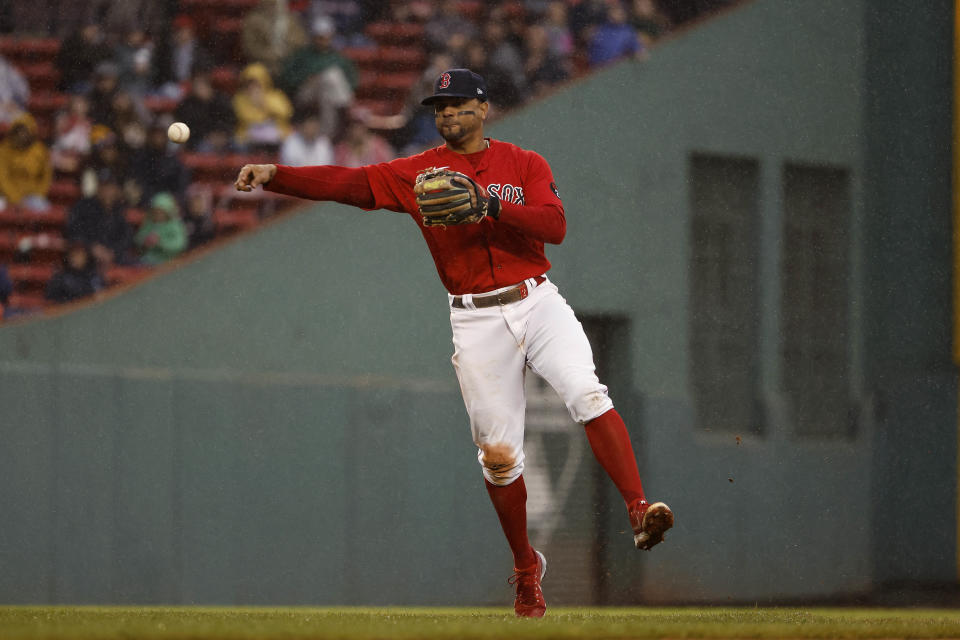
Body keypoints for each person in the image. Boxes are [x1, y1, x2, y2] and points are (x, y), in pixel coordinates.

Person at [234, 68, 673, 618]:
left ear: (483, 108)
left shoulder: (525, 163)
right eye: (438, 107)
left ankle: (637, 509)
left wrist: (489, 205)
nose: (446, 114)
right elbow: (349, 185)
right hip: (474, 317)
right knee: (499, 457)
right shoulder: (418, 173)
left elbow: (554, 226)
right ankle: (525, 569)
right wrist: (277, 175)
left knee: (587, 392)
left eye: (457, 104)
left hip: (536, 300)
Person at [0, 112, 53, 212]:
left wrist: (38, 193)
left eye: (25, 131)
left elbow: (45, 177)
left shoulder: (40, 150)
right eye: (18, 131)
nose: (22, 135)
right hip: (6, 196)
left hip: (32, 196)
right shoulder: (3, 150)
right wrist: (16, 199)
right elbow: (3, 179)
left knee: (43, 209)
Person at [134, 191, 188, 265]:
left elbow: (179, 243)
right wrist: (145, 241)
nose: (158, 215)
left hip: (171, 260)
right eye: (155, 212)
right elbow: (139, 238)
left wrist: (161, 243)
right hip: (150, 259)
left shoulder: (175, 225)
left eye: (161, 212)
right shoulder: (149, 223)